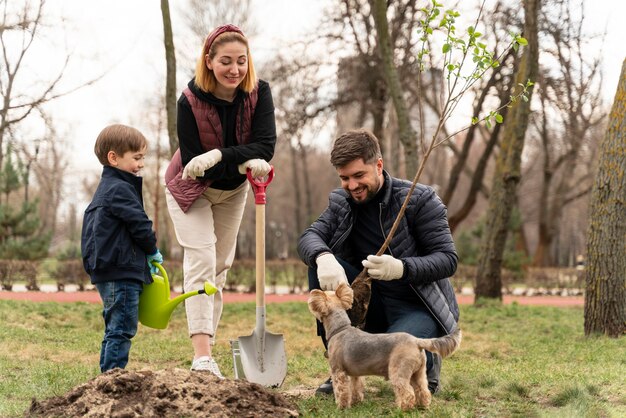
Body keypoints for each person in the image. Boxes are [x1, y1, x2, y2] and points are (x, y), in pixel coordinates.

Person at [297, 129, 459, 395]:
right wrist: (323, 257)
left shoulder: (419, 199)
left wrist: (402, 268)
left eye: (359, 175)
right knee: (317, 263)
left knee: (402, 348)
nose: (352, 186)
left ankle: (426, 366)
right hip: (369, 305)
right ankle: (340, 367)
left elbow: (448, 260)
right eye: (345, 178)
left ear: (379, 165)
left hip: (417, 306)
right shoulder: (341, 202)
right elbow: (310, 236)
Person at [164, 24, 276, 378]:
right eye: (226, 61)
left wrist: (223, 156)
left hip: (233, 191)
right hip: (190, 188)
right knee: (202, 259)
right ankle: (202, 356)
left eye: (242, 61)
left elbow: (265, 145)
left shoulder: (259, 94)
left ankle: (207, 343)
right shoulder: (189, 100)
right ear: (209, 61)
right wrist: (232, 157)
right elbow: (195, 161)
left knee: (220, 268)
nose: (235, 69)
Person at [81, 124, 163, 373]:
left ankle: (107, 377)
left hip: (107, 269)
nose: (141, 164)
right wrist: (151, 250)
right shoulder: (120, 189)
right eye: (136, 158)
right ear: (113, 158)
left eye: (143, 158)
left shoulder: (106, 189)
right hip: (121, 271)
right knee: (122, 328)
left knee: (114, 328)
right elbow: (140, 224)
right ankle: (113, 381)